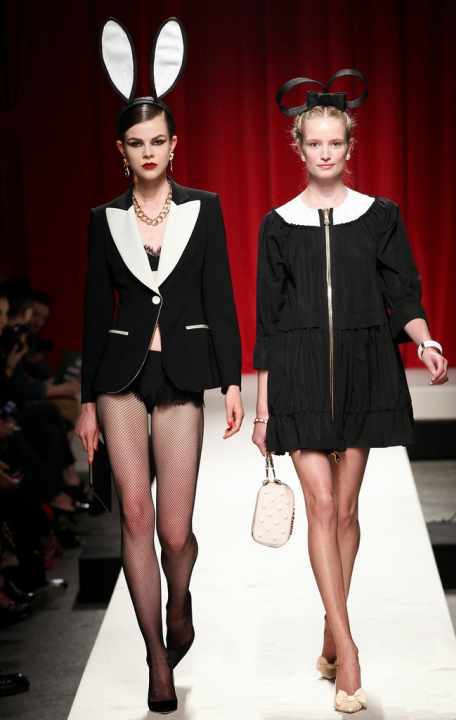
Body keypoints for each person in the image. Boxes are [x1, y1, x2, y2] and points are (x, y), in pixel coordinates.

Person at [251, 70, 448, 714]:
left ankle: (328, 631)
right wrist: (263, 410)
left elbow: (403, 293)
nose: (325, 152)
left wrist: (425, 340)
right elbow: (268, 322)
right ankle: (349, 647)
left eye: (335, 142)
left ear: (348, 145)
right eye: (315, 143)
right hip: (300, 375)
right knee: (320, 503)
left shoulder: (379, 217)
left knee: (343, 511)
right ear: (299, 147)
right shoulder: (278, 225)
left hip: (364, 373)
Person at [75, 17, 243, 715]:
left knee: (176, 531)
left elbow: (220, 297)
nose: (148, 151)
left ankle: (180, 598)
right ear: (122, 151)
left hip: (181, 375)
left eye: (157, 141)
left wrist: (233, 380)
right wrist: (85, 401)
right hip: (118, 378)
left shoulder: (205, 209)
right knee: (135, 517)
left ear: (175, 145)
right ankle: (156, 658)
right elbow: (94, 310)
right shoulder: (103, 219)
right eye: (136, 143)